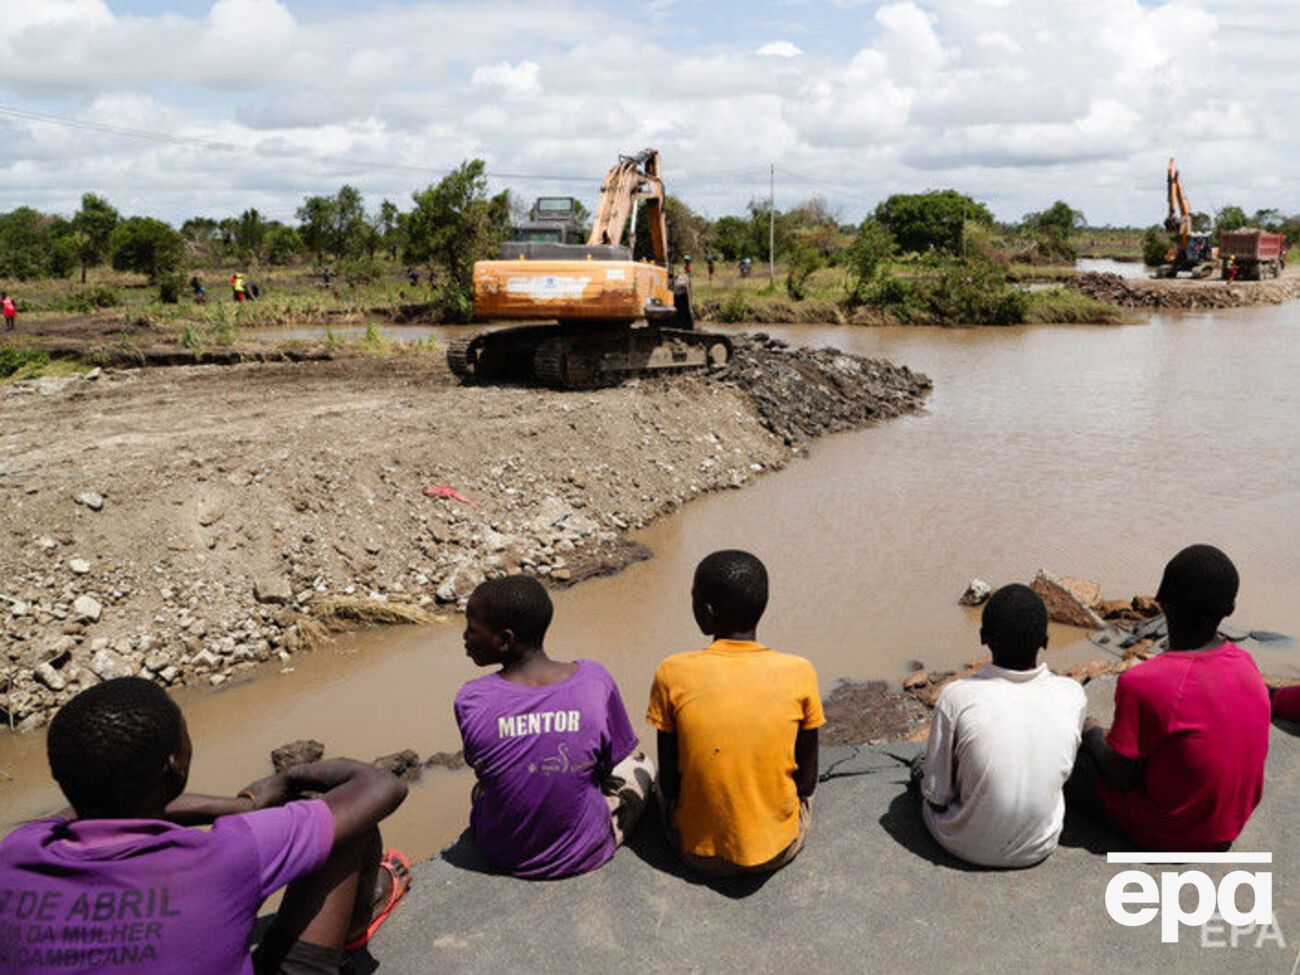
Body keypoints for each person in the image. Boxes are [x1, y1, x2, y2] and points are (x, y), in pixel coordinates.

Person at [0, 677, 411, 974]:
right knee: (339, 825)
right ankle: (357, 924)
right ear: (175, 766)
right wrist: (286, 779)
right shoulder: (227, 854)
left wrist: (238, 806)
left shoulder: (16, 850)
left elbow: (90, 807)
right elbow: (380, 786)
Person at [1069, 544, 1271, 850]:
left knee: (1069, 759)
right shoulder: (1247, 666)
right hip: (1228, 825)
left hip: (1174, 833)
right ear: (1228, 610)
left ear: (1162, 601)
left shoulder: (1144, 682)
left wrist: (1093, 733)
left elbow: (1124, 777)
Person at [455, 576, 654, 879]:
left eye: (471, 629)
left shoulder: (471, 699)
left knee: (483, 789)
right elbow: (607, 763)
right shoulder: (594, 679)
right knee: (640, 762)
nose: (465, 637)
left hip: (501, 853)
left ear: (505, 640)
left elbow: (482, 766)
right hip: (583, 852)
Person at [647, 550, 823, 876]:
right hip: (778, 849)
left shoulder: (672, 671)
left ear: (707, 612)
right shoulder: (800, 670)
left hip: (696, 853)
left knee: (649, 778)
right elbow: (807, 779)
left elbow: (670, 782)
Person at [917, 584, 1086, 868]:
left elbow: (937, 798)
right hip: (1038, 846)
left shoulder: (957, 696)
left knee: (921, 775)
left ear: (983, 638)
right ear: (1045, 641)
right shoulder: (1072, 694)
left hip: (961, 844)